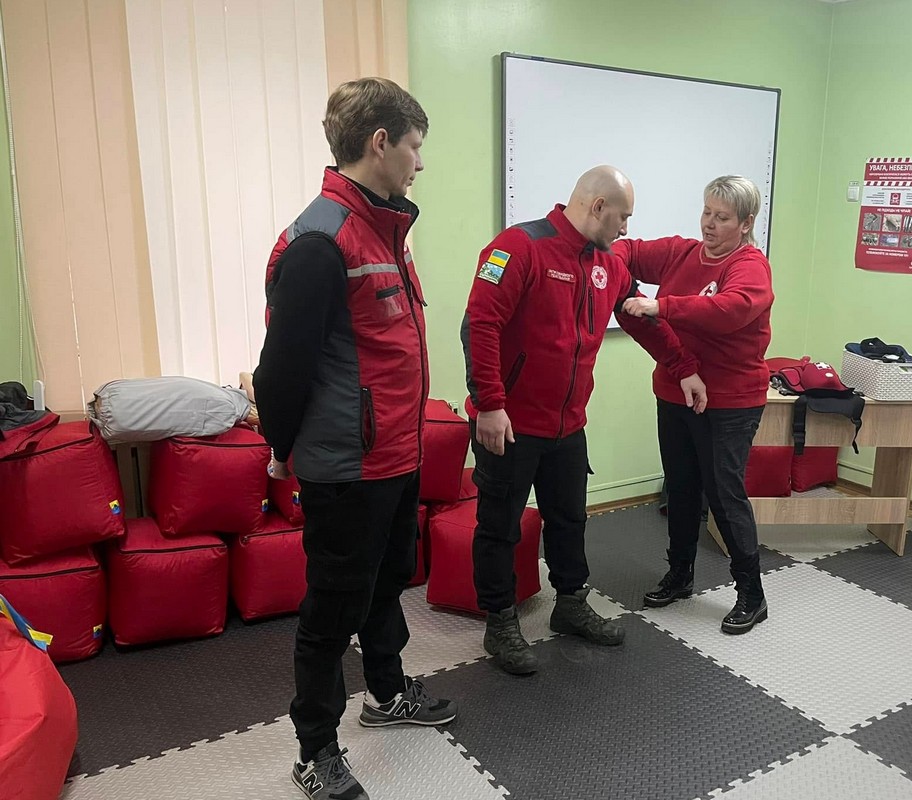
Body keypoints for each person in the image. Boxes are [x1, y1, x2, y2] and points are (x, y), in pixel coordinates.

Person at [254, 77, 456, 800]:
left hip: (395, 457)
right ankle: (315, 749)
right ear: (381, 143)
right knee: (330, 610)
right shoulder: (319, 242)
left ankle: (386, 694)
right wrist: (284, 451)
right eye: (414, 146)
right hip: (346, 466)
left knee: (386, 584)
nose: (419, 163)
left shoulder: (384, 229)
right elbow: (278, 373)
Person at [461, 165, 708, 675]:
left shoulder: (609, 262)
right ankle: (500, 622)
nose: (625, 230)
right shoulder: (518, 247)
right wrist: (489, 402)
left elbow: (641, 319)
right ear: (598, 206)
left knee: (570, 518)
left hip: (567, 423)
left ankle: (569, 604)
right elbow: (479, 325)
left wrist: (683, 368)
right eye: (623, 217)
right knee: (499, 525)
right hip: (508, 422)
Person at [617, 175, 774, 635]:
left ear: (745, 224)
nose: (709, 223)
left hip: (730, 401)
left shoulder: (750, 266)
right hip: (675, 392)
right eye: (706, 212)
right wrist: (605, 252)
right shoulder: (682, 252)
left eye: (722, 217)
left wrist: (660, 306)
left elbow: (731, 309)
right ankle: (680, 574)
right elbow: (627, 251)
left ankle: (751, 593)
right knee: (681, 488)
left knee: (724, 495)